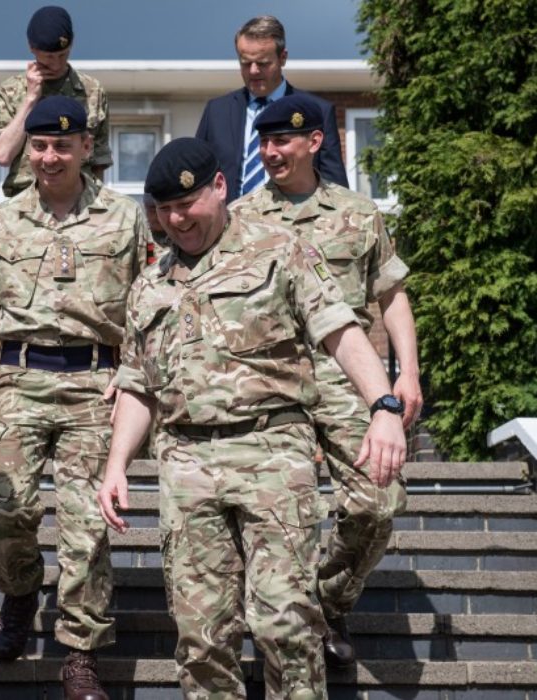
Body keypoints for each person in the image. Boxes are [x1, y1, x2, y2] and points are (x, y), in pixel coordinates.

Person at [97, 138, 407, 699]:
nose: (176, 219)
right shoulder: (150, 285)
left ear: (220, 187)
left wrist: (383, 406)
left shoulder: (280, 249)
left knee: (285, 623)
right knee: (202, 637)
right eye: (164, 209)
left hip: (272, 453)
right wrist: (116, 464)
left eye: (186, 203)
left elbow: (339, 330)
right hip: (187, 463)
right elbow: (138, 384)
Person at [0, 96, 148, 700]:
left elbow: (150, 305)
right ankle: (20, 591)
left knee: (86, 525)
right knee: (0, 506)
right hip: (16, 377)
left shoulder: (126, 219)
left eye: (61, 147)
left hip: (97, 382)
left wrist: (136, 372)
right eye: (39, 146)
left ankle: (80, 651)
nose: (48, 157)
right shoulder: (2, 221)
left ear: (86, 148)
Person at [231, 93, 422, 668]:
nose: (271, 152)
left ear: (315, 141)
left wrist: (406, 371)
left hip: (346, 379)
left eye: (282, 140)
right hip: (270, 382)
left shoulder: (358, 214)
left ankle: (328, 600)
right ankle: (282, 613)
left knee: (378, 500)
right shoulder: (241, 217)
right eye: (263, 142)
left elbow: (391, 295)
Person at [194, 15, 348, 202]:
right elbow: (199, 176)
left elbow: (335, 186)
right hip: (231, 225)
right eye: (245, 63)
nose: (253, 71)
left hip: (293, 225)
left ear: (283, 58)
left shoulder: (316, 111)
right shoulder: (217, 111)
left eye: (263, 63)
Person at [0, 5, 112, 197]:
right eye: (49, 56)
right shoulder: (9, 92)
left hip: (79, 202)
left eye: (63, 54)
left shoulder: (92, 91)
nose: (56, 63)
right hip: (26, 203)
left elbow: (99, 161)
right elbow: (3, 155)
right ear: (32, 48)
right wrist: (30, 99)